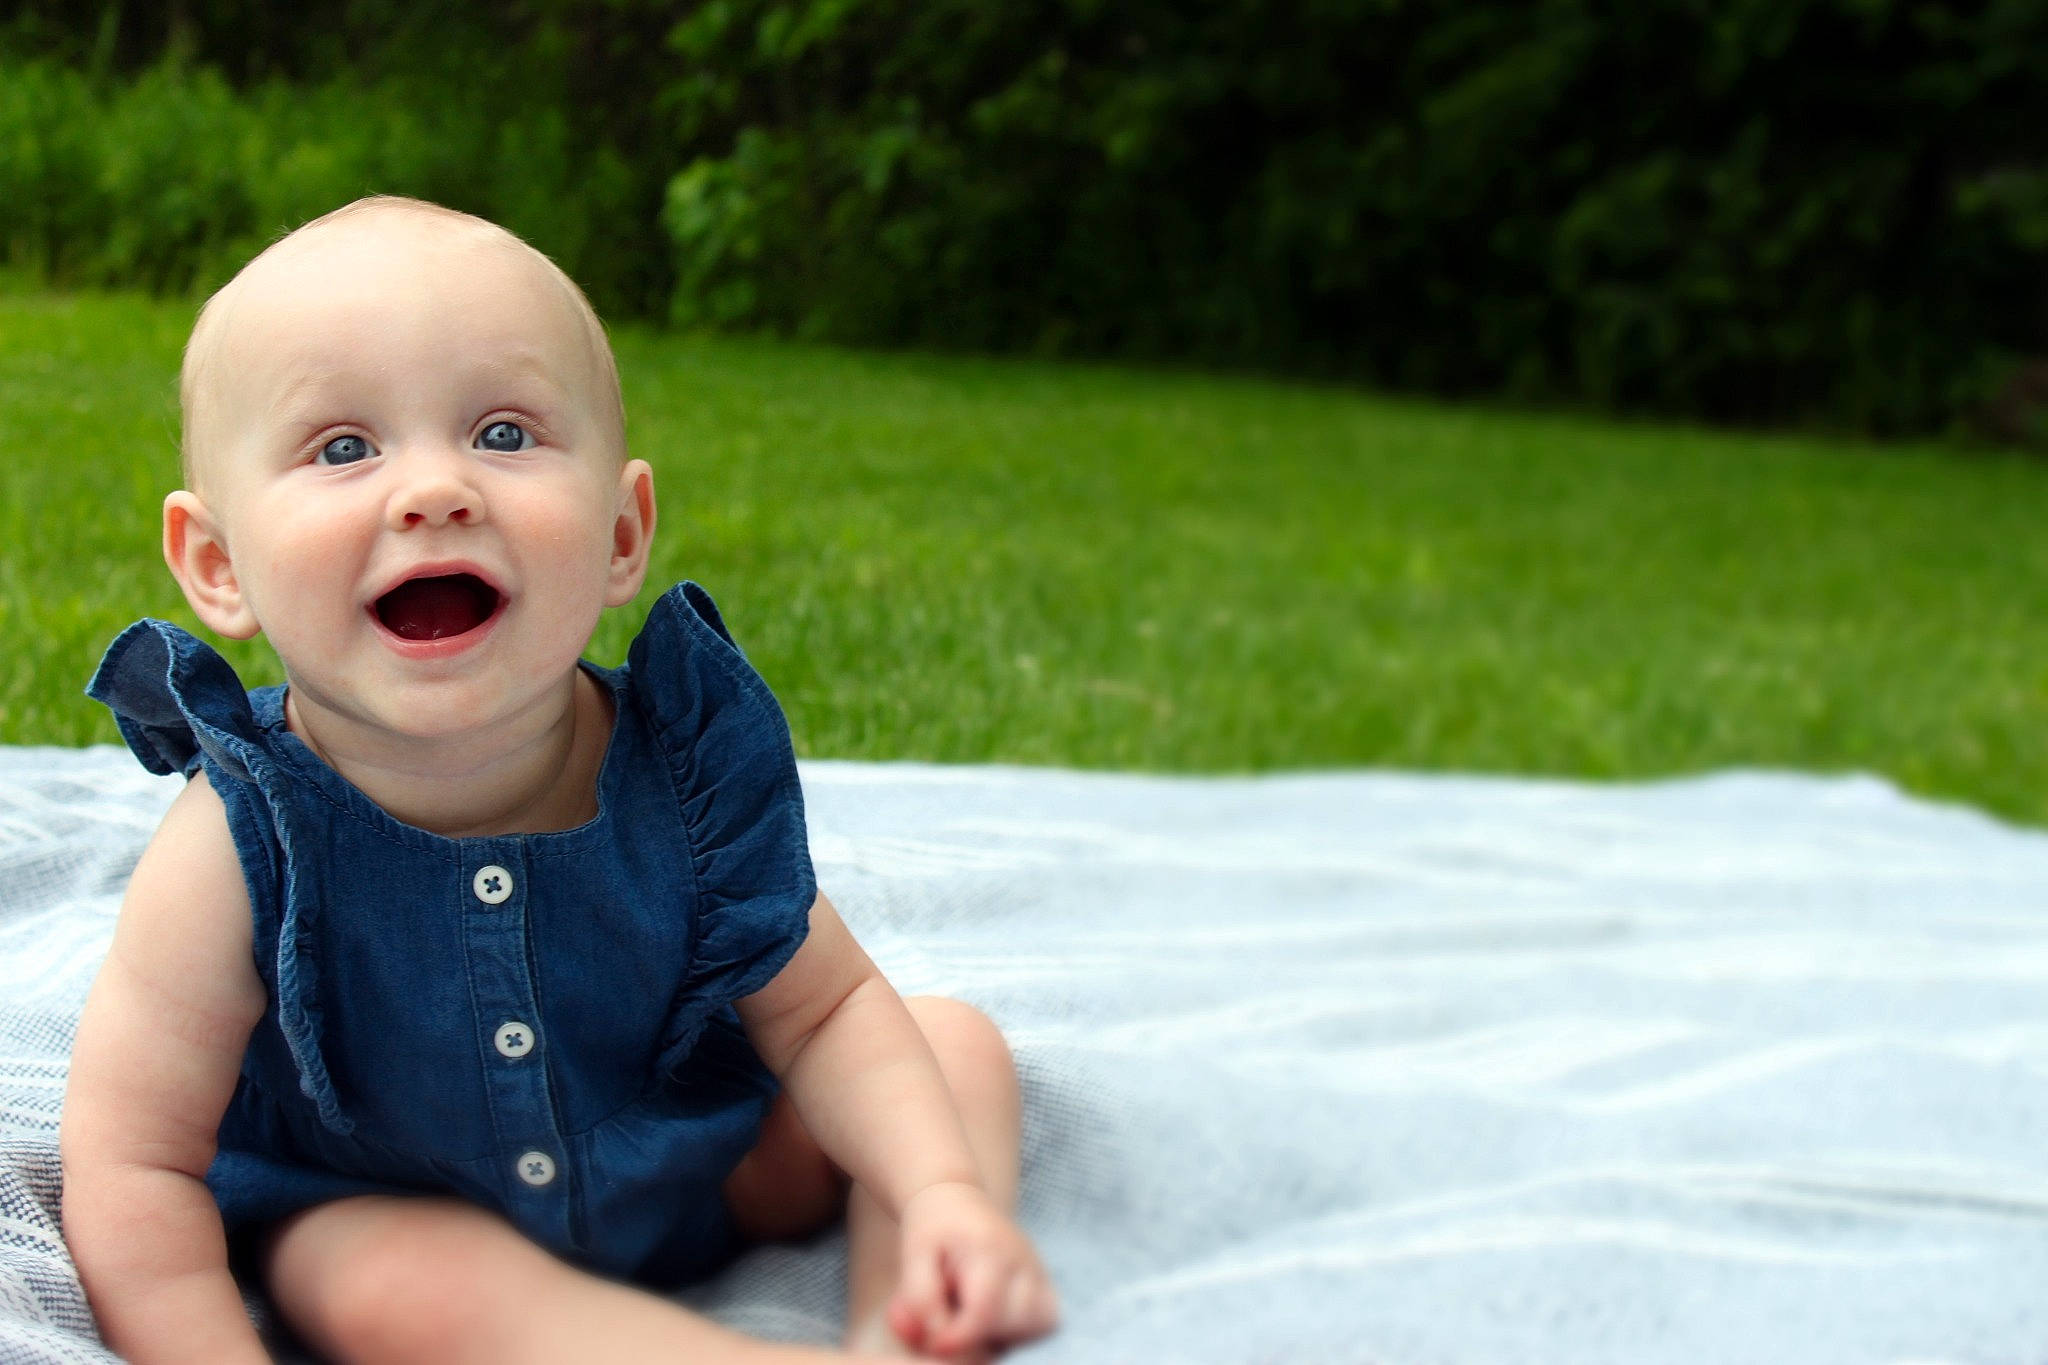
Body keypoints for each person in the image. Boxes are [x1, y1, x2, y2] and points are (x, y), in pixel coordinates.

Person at [59, 196, 1059, 1365]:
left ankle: (918, 1313)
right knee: (376, 1276)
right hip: (400, 1208)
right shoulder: (235, 847)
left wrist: (937, 1190)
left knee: (945, 1050)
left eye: (502, 433)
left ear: (622, 534)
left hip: (696, 1165)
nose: (435, 490)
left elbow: (823, 1010)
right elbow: (134, 1164)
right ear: (218, 565)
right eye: (343, 449)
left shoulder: (684, 778)